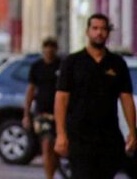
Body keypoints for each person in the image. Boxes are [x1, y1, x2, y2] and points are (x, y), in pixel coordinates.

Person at [54, 13, 136, 179]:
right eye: (95, 28)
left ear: (108, 32)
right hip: (79, 136)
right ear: (87, 31)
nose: (99, 33)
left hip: (109, 137)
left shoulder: (117, 63)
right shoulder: (72, 62)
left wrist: (132, 132)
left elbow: (126, 98)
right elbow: (61, 99)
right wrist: (61, 134)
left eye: (103, 29)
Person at [23, 37, 60, 179]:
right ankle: (49, 176)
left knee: (56, 148)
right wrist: (26, 114)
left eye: (52, 47)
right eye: (47, 46)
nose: (49, 50)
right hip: (42, 112)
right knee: (46, 144)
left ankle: (53, 172)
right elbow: (31, 91)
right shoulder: (37, 67)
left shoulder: (61, 65)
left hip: (58, 112)